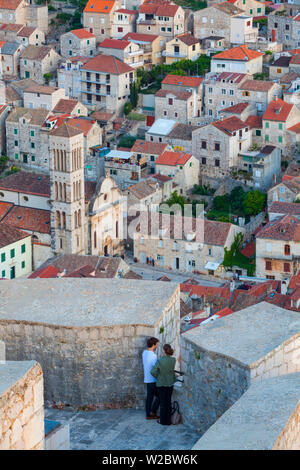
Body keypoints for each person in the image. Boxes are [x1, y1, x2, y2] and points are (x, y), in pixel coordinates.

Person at [150, 344, 176, 426]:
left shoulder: (160, 361)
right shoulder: (173, 360)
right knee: (168, 402)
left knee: (162, 403)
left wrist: (158, 377)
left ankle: (162, 421)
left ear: (164, 351)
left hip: (161, 384)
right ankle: (168, 421)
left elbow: (152, 371)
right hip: (170, 383)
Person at [142, 337, 160, 420]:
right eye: (156, 345)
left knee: (149, 398)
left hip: (147, 379)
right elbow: (156, 368)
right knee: (160, 396)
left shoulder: (144, 353)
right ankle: (153, 411)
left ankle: (148, 414)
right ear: (153, 345)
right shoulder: (153, 356)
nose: (157, 346)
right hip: (153, 380)